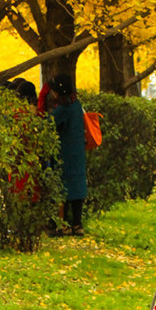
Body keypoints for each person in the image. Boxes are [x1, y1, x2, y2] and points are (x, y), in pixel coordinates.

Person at [43, 74, 87, 236]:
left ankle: (64, 225)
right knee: (77, 189)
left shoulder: (62, 111)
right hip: (78, 154)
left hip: (63, 156)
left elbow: (47, 125)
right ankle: (77, 224)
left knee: (63, 190)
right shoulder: (77, 105)